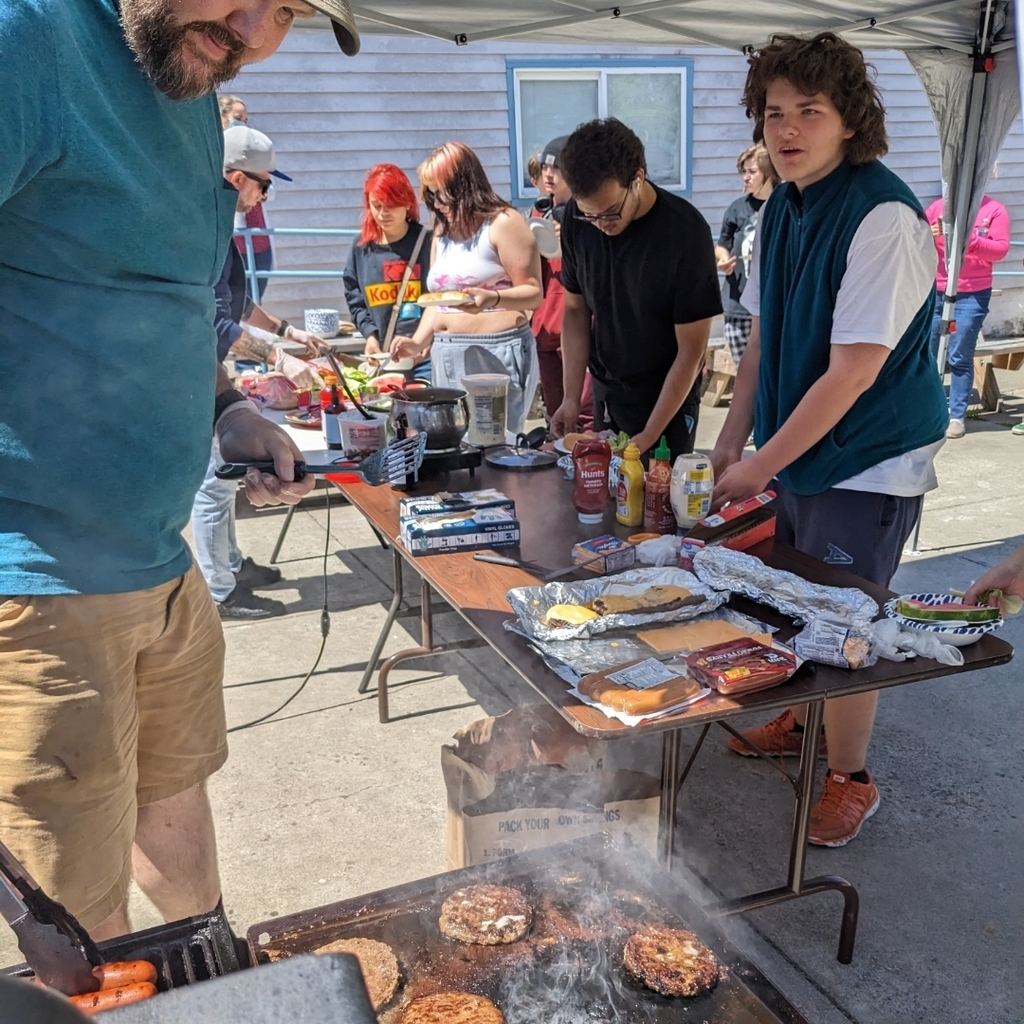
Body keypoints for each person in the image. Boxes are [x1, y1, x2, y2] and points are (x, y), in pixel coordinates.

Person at [0, 0, 360, 941]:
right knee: (78, 911)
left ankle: (208, 973)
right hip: (37, 579)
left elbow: (169, 298)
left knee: (174, 800)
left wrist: (226, 407)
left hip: (160, 561)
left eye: (289, 10)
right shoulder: (27, 40)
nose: (252, 25)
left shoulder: (190, 87)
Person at [710, 33, 948, 847]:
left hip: (870, 459)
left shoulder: (883, 215)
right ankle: (801, 716)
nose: (788, 128)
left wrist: (759, 465)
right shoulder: (781, 206)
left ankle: (852, 777)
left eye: (810, 111)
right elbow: (765, 340)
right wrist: (730, 440)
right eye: (775, 112)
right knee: (791, 596)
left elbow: (850, 374)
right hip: (799, 449)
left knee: (850, 621)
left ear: (850, 121)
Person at [194, 127, 325, 620]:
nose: (264, 195)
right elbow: (210, 318)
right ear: (235, 177)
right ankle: (219, 590)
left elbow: (240, 302)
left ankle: (229, 563)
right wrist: (276, 357)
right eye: (262, 185)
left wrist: (289, 333)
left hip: (217, 367)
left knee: (222, 482)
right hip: (202, 373)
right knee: (213, 483)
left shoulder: (221, 226)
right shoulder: (202, 229)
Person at [549, 119, 722, 460]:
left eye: (611, 212)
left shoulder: (685, 233)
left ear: (638, 178)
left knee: (657, 504)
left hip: (666, 397)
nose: (602, 226)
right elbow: (575, 311)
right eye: (590, 216)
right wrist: (571, 397)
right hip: (608, 389)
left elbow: (691, 352)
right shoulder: (575, 220)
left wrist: (648, 436)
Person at [390, 142, 543, 433]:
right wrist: (418, 343)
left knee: (498, 445)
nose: (435, 203)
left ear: (464, 186)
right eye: (430, 195)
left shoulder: (503, 222)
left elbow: (534, 292)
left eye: (441, 193)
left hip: (493, 352)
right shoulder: (441, 231)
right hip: (446, 351)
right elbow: (438, 301)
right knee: (452, 445)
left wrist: (492, 298)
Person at [924, 195, 1010, 438]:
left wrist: (965, 239)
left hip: (973, 293)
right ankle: (929, 411)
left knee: (959, 354)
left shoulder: (994, 210)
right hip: (937, 290)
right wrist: (929, 234)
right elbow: (914, 240)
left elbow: (999, 250)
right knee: (929, 353)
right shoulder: (937, 208)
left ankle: (956, 416)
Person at [343, 164, 431, 375]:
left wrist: (428, 339)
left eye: (391, 205)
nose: (383, 213)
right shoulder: (360, 248)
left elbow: (438, 299)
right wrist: (369, 335)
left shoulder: (428, 243)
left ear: (407, 203)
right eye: (376, 205)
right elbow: (355, 300)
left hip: (424, 360)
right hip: (382, 360)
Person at [715, 144, 779, 366]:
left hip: (775, 307)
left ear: (769, 172)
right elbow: (722, 244)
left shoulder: (784, 207)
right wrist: (723, 259)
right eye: (743, 172)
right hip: (738, 307)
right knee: (746, 374)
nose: (745, 177)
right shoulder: (737, 208)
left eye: (752, 172)